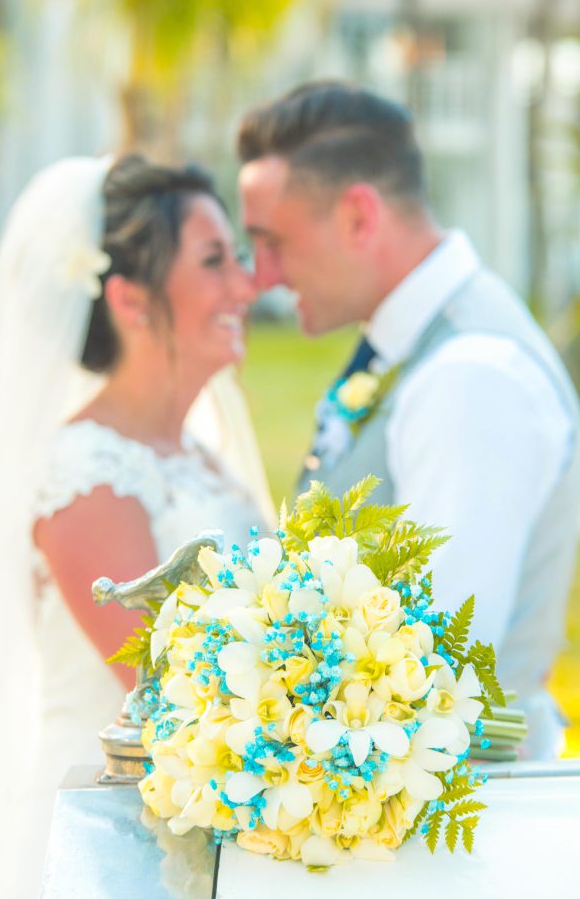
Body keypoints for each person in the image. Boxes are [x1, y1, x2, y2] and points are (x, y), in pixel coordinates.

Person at [236, 80, 580, 759]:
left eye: (273, 241)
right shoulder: (419, 347)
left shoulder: (469, 378)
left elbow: (435, 657)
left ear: (360, 216)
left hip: (457, 827)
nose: (262, 275)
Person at [0, 154, 272, 899]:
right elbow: (168, 696)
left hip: (219, 817)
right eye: (215, 261)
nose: (247, 284)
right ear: (131, 301)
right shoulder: (85, 476)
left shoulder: (202, 455)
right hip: (117, 843)